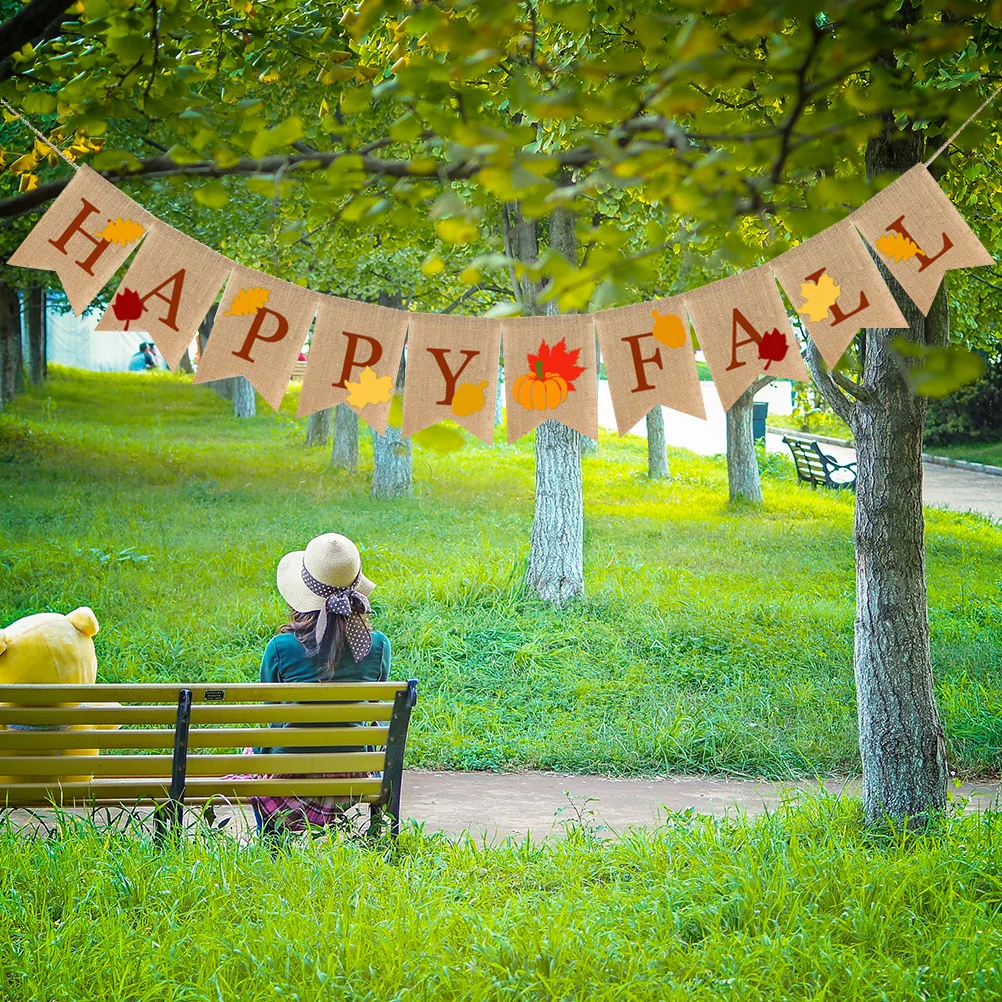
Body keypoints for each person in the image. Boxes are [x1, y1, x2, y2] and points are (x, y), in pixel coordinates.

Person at [244, 532, 390, 835]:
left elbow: (267, 719)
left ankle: (272, 840)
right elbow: (374, 712)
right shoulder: (377, 646)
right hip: (353, 774)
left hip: (290, 774)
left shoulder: (281, 648)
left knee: (251, 749)